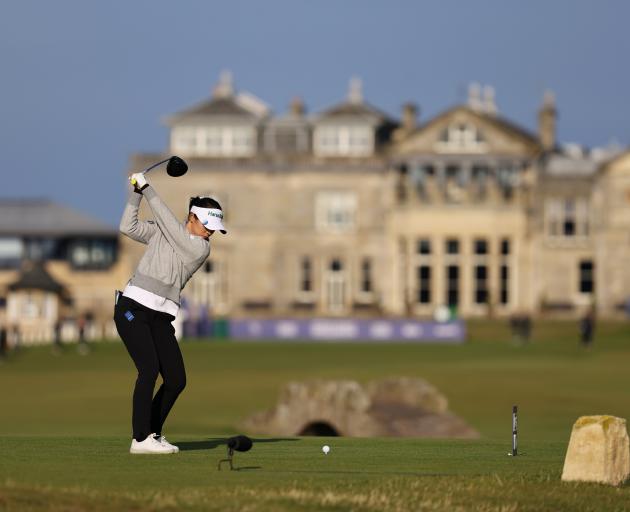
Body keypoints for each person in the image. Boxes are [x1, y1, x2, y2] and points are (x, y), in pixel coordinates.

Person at [114, 171, 227, 454]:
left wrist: (148, 187)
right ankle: (140, 439)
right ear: (192, 217)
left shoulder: (200, 249)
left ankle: (152, 433)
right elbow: (128, 226)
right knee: (149, 369)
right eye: (207, 224)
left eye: (214, 227)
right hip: (133, 309)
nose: (211, 231)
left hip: (161, 317)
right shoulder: (165, 230)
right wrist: (136, 193)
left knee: (176, 380)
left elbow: (172, 230)